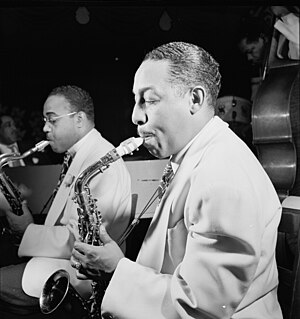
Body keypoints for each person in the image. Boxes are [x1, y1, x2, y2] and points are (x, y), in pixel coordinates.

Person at [71, 42, 283, 319]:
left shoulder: (221, 176)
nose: (136, 115)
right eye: (136, 99)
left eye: (149, 99)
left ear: (194, 99)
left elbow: (201, 307)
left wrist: (116, 270)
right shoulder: (194, 155)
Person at [0, 85, 132, 315]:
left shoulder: (100, 162)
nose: (44, 128)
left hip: (79, 275)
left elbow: (80, 242)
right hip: (60, 265)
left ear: (79, 119)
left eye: (52, 120)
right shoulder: (81, 154)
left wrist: (26, 230)